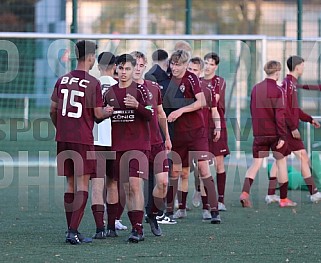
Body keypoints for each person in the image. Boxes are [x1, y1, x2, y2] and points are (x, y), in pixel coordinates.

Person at [50, 40, 113, 244]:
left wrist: (60, 127)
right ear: (91, 57)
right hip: (82, 139)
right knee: (83, 183)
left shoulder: (62, 80)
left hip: (63, 137)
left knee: (70, 182)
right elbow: (96, 114)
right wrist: (107, 112)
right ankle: (73, 231)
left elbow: (53, 109)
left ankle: (71, 229)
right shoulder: (93, 83)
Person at [163, 50, 221, 224]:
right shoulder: (168, 80)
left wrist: (180, 111)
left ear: (185, 64)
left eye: (178, 64)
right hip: (178, 134)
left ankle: (213, 210)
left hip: (197, 133)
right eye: (172, 64)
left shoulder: (191, 78)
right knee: (176, 171)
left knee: (203, 169)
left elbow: (201, 102)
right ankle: (170, 210)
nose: (174, 67)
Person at [103, 54, 153, 243]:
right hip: (118, 146)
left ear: (134, 70)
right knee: (125, 186)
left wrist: (137, 105)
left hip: (138, 145)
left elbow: (150, 114)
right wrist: (103, 113)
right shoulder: (109, 92)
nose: (124, 72)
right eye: (121, 68)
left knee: (134, 185)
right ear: (116, 69)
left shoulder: (141, 90)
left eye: (128, 69)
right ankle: (131, 225)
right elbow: (100, 115)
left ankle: (138, 229)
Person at [239, 60, 296, 208]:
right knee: (281, 162)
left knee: (256, 164)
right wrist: (283, 136)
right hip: (275, 134)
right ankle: (283, 199)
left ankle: (245, 193)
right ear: (277, 72)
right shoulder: (279, 91)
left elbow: (252, 110)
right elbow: (280, 116)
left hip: (259, 133)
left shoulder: (255, 89)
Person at [266, 56, 321, 203]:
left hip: (286, 129)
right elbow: (284, 110)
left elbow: (295, 110)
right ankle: (314, 192)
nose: (304, 68)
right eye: (303, 65)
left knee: (280, 160)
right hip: (288, 130)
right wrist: (293, 127)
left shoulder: (292, 84)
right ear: (297, 67)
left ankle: (270, 194)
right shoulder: (288, 84)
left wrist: (309, 119)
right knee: (302, 157)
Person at [131, 51, 172, 234]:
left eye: (141, 65)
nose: (138, 69)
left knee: (163, 183)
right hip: (136, 144)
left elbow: (161, 113)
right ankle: (135, 226)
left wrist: (167, 138)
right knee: (134, 187)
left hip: (156, 142)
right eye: (135, 65)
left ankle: (153, 214)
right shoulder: (122, 89)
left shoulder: (153, 87)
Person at [91, 52, 127, 240]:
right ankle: (112, 226)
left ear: (98, 66)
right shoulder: (120, 88)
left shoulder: (92, 86)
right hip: (115, 142)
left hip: (95, 142)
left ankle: (99, 228)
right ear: (115, 67)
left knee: (97, 184)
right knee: (113, 183)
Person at [202, 52, 230, 211]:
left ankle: (221, 200)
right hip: (200, 127)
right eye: (206, 62)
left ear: (216, 66)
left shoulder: (219, 82)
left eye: (211, 64)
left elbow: (213, 100)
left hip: (216, 125)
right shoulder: (197, 81)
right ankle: (203, 196)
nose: (208, 66)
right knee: (202, 165)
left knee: (219, 164)